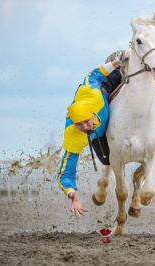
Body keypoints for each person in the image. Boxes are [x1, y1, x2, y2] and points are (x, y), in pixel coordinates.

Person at [57, 52, 124, 219]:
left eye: (87, 121)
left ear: (92, 113)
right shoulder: (73, 135)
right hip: (98, 136)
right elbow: (66, 172)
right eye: (79, 124)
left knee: (121, 72)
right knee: (107, 161)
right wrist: (72, 195)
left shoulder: (93, 93)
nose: (85, 127)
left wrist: (115, 63)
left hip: (102, 93)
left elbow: (94, 74)